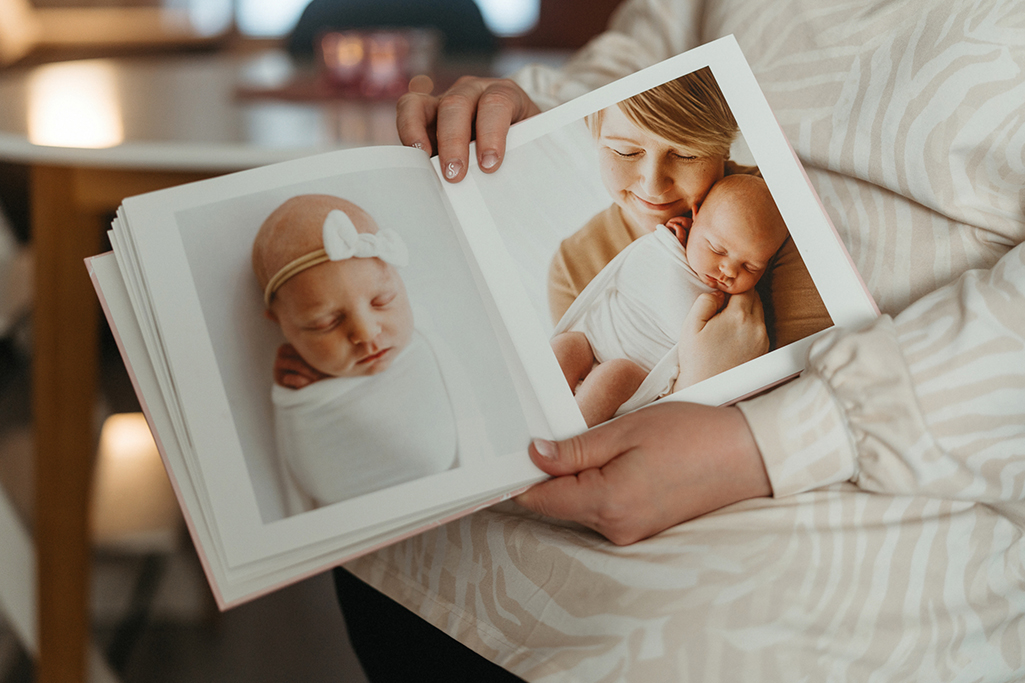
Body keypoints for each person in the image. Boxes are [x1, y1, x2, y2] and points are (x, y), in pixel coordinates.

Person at [340, 0, 1025, 679]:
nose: (649, 181)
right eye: (623, 153)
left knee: (674, 625)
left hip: (915, 423)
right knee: (405, 497)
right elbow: (616, 75)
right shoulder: (611, 247)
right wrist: (520, 117)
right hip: (650, 389)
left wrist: (770, 443)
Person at [253, 194, 463, 508]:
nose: (366, 333)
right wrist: (308, 393)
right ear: (282, 326)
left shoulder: (433, 341)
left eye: (383, 301)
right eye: (325, 323)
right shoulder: (299, 382)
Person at [552, 173, 788, 426]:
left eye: (751, 266)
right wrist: (671, 239)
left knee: (611, 376)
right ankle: (544, 416)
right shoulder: (668, 243)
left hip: (639, 372)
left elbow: (729, 342)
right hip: (595, 336)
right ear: (693, 218)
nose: (729, 271)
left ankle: (569, 433)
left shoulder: (733, 305)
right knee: (563, 347)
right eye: (717, 249)